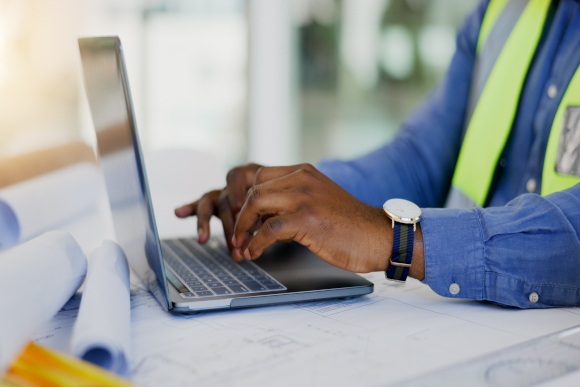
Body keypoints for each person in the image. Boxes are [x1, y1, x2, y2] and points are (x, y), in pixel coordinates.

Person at [175, 0, 580, 308]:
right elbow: (419, 161)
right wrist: (291, 199)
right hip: (458, 320)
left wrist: (396, 240)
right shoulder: (503, 11)